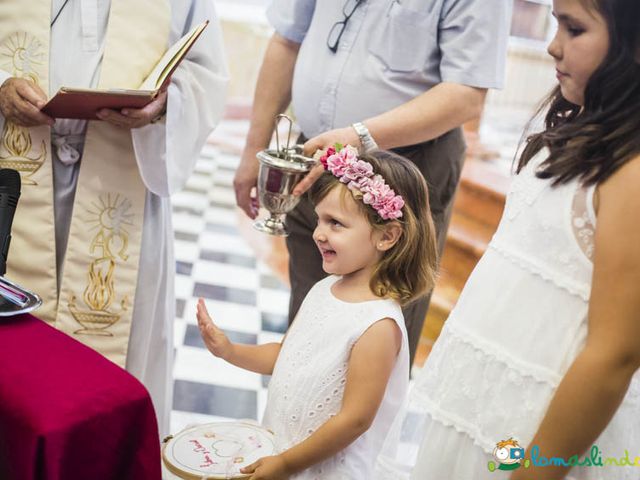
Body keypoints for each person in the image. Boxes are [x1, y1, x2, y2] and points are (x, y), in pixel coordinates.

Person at [374, 0, 640, 478]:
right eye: (557, 22)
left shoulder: (631, 174)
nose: (553, 44)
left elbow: (615, 353)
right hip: (493, 402)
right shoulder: (571, 128)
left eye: (575, 29)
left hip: (548, 426)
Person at [233, 0, 513, 366]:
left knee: (376, 337)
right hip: (316, 155)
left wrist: (359, 137)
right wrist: (254, 148)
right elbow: (288, 39)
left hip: (403, 167)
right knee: (307, 322)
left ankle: (358, 423)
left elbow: (465, 95)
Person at [0, 0, 228, 435]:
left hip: (124, 182)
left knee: (113, 355)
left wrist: (162, 106)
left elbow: (205, 73)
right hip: (15, 183)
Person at [198, 148, 438, 479]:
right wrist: (230, 351)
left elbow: (355, 419)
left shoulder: (377, 326)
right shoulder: (323, 289)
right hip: (282, 450)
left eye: (335, 223)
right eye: (319, 219)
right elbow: (287, 356)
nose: (318, 233)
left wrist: (287, 464)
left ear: (387, 236)